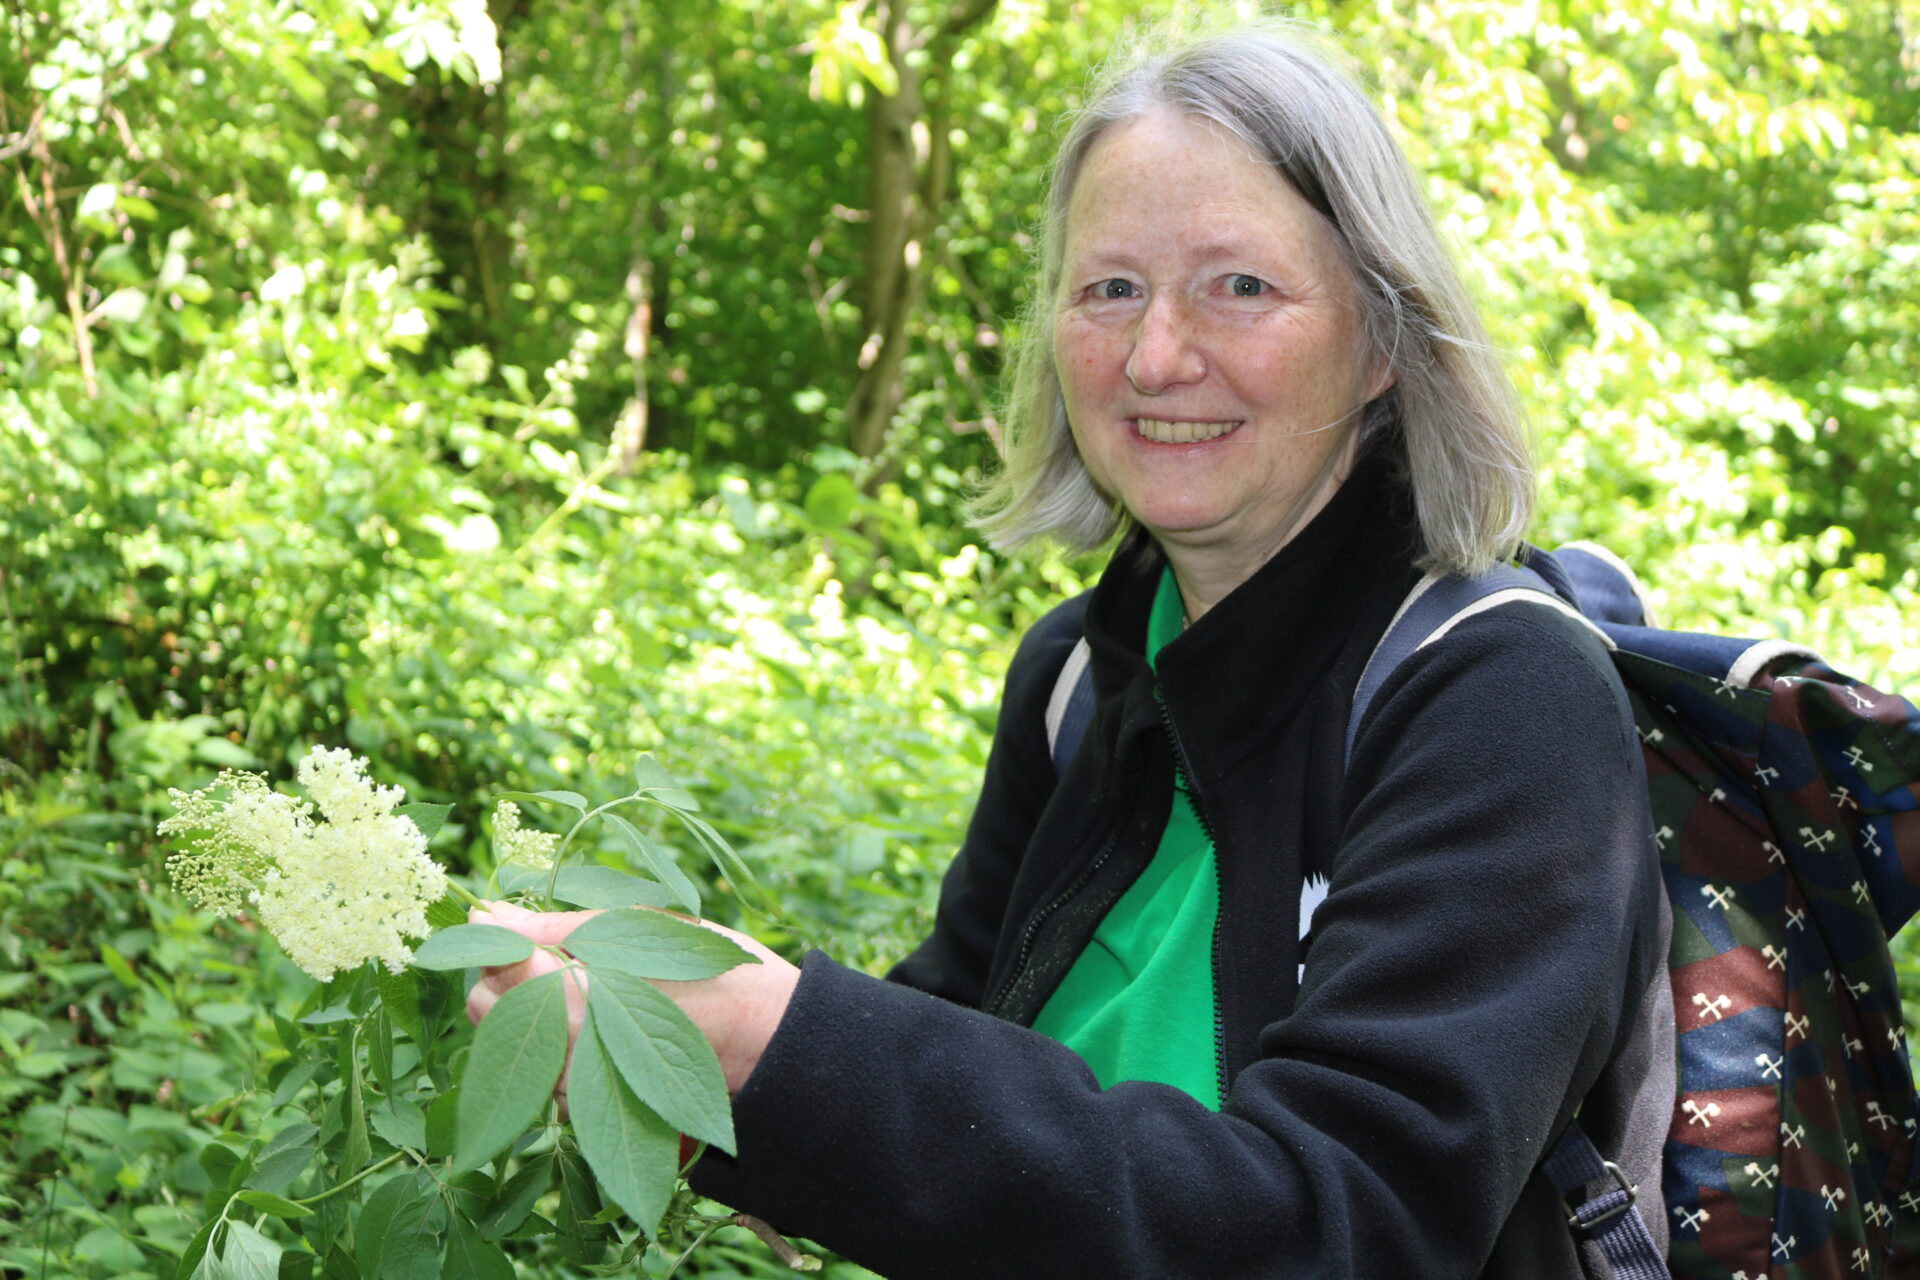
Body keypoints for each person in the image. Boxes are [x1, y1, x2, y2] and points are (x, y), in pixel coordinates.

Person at [468, 20, 1671, 1278]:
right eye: (1110, 289)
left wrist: (791, 1050)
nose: (1157, 355)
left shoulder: (1500, 703)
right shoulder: (1080, 679)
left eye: (1239, 285)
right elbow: (949, 1040)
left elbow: (1345, 1223)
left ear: (1381, 342)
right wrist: (689, 1054)